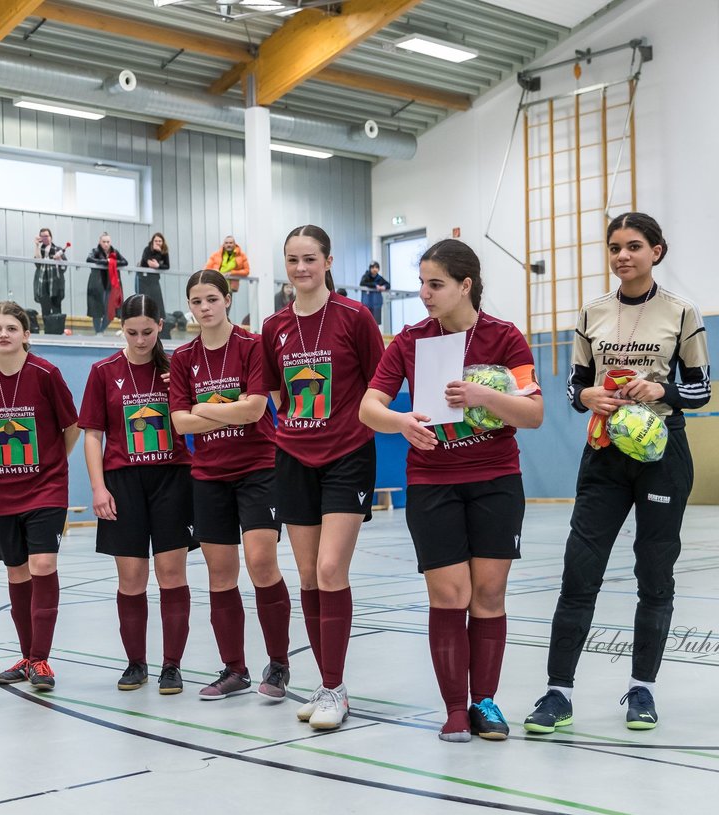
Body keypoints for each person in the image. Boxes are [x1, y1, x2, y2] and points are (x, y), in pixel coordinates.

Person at [524, 212, 710, 736]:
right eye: (614, 248)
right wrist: (585, 395)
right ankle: (558, 693)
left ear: (657, 251)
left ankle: (643, 689)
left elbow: (701, 389)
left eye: (633, 246)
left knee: (655, 574)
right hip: (604, 455)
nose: (623, 256)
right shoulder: (592, 313)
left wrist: (663, 391)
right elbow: (574, 387)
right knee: (579, 572)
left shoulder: (681, 312)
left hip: (662, 456)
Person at [360, 239, 543, 742]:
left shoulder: (506, 338)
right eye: (421, 283)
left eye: (435, 284)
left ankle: (485, 702)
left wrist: (484, 394)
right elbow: (368, 406)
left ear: (466, 285)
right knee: (449, 594)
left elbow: (533, 413)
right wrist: (398, 421)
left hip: (496, 480)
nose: (424, 293)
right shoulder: (409, 340)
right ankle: (454, 708)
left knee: (487, 594)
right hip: (433, 482)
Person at [260, 224, 385, 730]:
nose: (301, 268)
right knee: (309, 575)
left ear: (328, 262)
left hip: (347, 454)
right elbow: (273, 391)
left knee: (332, 570)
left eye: (310, 259)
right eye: (292, 259)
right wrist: (295, 425)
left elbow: (379, 385)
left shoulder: (355, 317)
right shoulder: (274, 326)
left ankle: (334, 688)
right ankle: (325, 680)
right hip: (293, 457)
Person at [169, 270, 292, 701]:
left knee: (261, 564)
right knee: (221, 574)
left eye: (211, 299)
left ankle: (278, 664)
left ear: (226, 300)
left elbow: (255, 410)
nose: (203, 308)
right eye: (196, 301)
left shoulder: (251, 345)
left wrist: (204, 407)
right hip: (208, 477)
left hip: (259, 469)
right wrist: (227, 409)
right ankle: (234, 669)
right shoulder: (183, 357)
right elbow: (179, 421)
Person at [80, 293, 195, 694]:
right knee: (131, 578)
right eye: (132, 332)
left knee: (170, 573)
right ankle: (135, 663)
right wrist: (98, 486)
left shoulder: (178, 368)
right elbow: (92, 435)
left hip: (172, 478)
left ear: (161, 327)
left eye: (148, 331)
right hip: (123, 481)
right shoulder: (103, 371)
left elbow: (198, 418)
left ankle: (171, 665)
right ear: (121, 327)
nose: (141, 339)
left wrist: (182, 389)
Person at [0, 302, 80, 693]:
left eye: (11, 327)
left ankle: (41, 659)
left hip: (47, 488)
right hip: (3, 493)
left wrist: (53, 463)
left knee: (43, 563)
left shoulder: (47, 373)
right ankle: (28, 656)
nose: (3, 334)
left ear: (26, 333)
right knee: (17, 572)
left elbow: (73, 425)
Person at [86, 233, 127, 334]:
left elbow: (125, 262)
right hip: (98, 284)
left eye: (108, 242)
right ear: (100, 242)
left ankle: (100, 331)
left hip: (112, 285)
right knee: (97, 310)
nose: (106, 244)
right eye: (104, 242)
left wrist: (111, 262)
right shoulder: (95, 251)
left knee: (111, 310)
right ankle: (98, 332)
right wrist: (107, 262)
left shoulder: (114, 251)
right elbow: (89, 259)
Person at [138, 232, 170, 339]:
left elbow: (166, 266)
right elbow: (149, 263)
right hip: (144, 280)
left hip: (154, 281)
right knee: (145, 303)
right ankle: (144, 325)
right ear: (152, 241)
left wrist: (158, 265)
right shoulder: (147, 249)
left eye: (160, 241)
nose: (158, 243)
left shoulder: (164, 252)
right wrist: (156, 261)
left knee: (158, 303)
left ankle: (159, 329)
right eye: (156, 241)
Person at [33, 228, 67, 320]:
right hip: (43, 285)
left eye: (46, 236)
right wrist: (36, 245)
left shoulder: (58, 249)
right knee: (45, 312)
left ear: (51, 237)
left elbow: (64, 267)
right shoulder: (39, 249)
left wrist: (59, 260)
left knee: (57, 312)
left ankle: (57, 333)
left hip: (56, 285)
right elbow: (38, 264)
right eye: (42, 236)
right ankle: (47, 332)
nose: (45, 238)